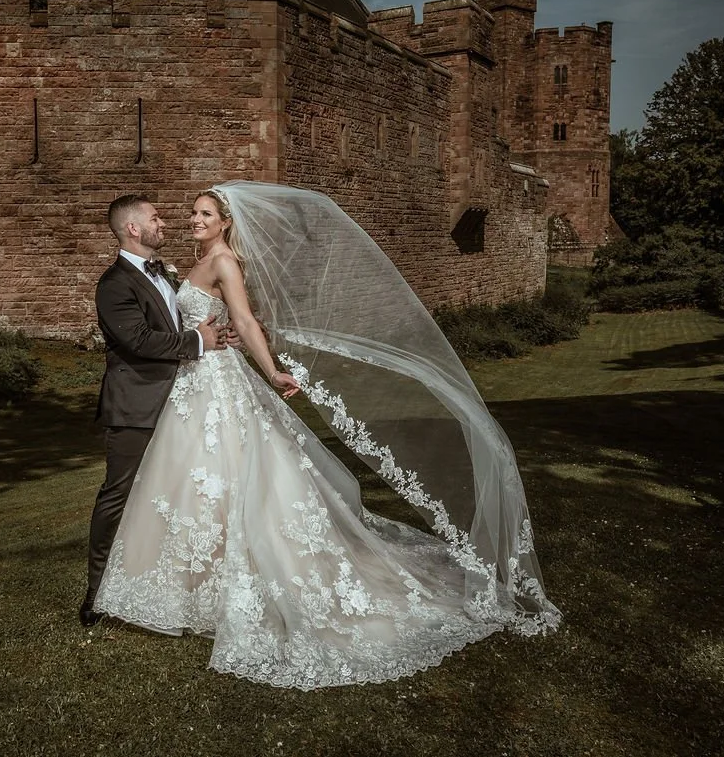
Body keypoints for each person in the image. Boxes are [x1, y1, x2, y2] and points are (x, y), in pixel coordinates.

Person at [93, 183, 561, 688]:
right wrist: (204, 337)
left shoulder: (223, 260)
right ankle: (172, 584)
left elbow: (246, 321)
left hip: (213, 380)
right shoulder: (158, 272)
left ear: (227, 221)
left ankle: (217, 585)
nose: (189, 220)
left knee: (229, 476)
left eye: (203, 213)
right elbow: (165, 330)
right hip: (192, 383)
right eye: (188, 213)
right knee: (194, 483)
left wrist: (269, 370)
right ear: (137, 230)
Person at [81, 194, 232, 628]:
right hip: (135, 407)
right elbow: (140, 342)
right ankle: (96, 593)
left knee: (169, 498)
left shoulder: (164, 272)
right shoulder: (114, 284)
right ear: (133, 229)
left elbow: (180, 325)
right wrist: (198, 342)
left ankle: (160, 585)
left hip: (179, 400)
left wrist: (217, 337)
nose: (164, 223)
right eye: (155, 218)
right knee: (119, 495)